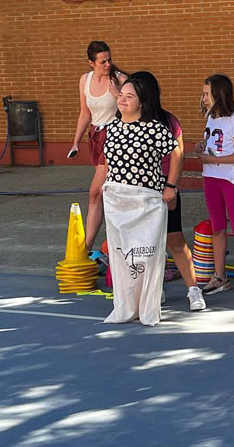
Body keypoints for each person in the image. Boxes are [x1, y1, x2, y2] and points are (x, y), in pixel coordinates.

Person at [101, 74, 179, 326]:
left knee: (145, 255)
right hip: (117, 202)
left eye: (129, 96)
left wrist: (171, 186)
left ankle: (147, 307)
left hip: (146, 202)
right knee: (122, 257)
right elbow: (107, 162)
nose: (122, 100)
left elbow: (176, 153)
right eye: (121, 95)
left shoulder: (155, 128)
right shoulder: (111, 128)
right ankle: (125, 307)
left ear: (142, 102)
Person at [126, 71, 205, 312]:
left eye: (132, 92)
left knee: (175, 240)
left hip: (162, 189)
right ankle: (154, 287)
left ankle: (194, 290)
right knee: (145, 243)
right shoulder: (127, 122)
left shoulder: (167, 121)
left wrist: (171, 186)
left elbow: (177, 155)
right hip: (136, 192)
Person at [196, 74, 234, 300]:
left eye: (206, 93)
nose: (203, 98)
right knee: (217, 227)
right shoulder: (211, 117)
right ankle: (220, 275)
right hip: (210, 177)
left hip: (230, 180)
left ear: (218, 94)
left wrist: (212, 159)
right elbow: (214, 145)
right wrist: (203, 146)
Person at [68, 41, 126, 255]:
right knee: (107, 192)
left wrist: (116, 93)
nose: (108, 64)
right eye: (103, 61)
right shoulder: (85, 80)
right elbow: (85, 112)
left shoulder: (119, 79)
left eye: (109, 59)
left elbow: (130, 109)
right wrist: (76, 141)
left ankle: (86, 247)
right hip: (96, 136)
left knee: (95, 192)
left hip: (115, 137)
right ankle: (112, 244)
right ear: (91, 63)